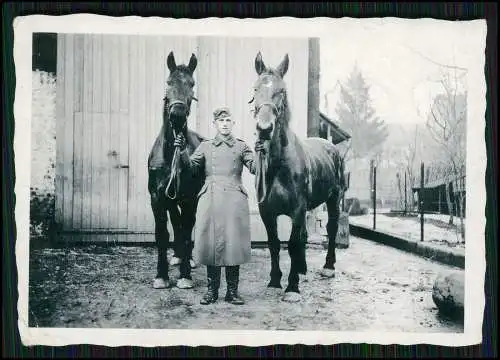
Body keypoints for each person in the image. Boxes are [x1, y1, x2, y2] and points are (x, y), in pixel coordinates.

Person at [173, 106, 265, 305]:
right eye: (221, 121)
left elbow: (255, 169)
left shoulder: (241, 147)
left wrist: (262, 154)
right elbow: (190, 169)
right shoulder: (206, 147)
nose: (224, 124)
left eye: (228, 120)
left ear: (233, 124)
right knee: (210, 245)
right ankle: (211, 292)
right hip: (211, 199)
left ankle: (232, 292)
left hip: (234, 200)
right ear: (214, 124)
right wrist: (181, 152)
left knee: (234, 245)